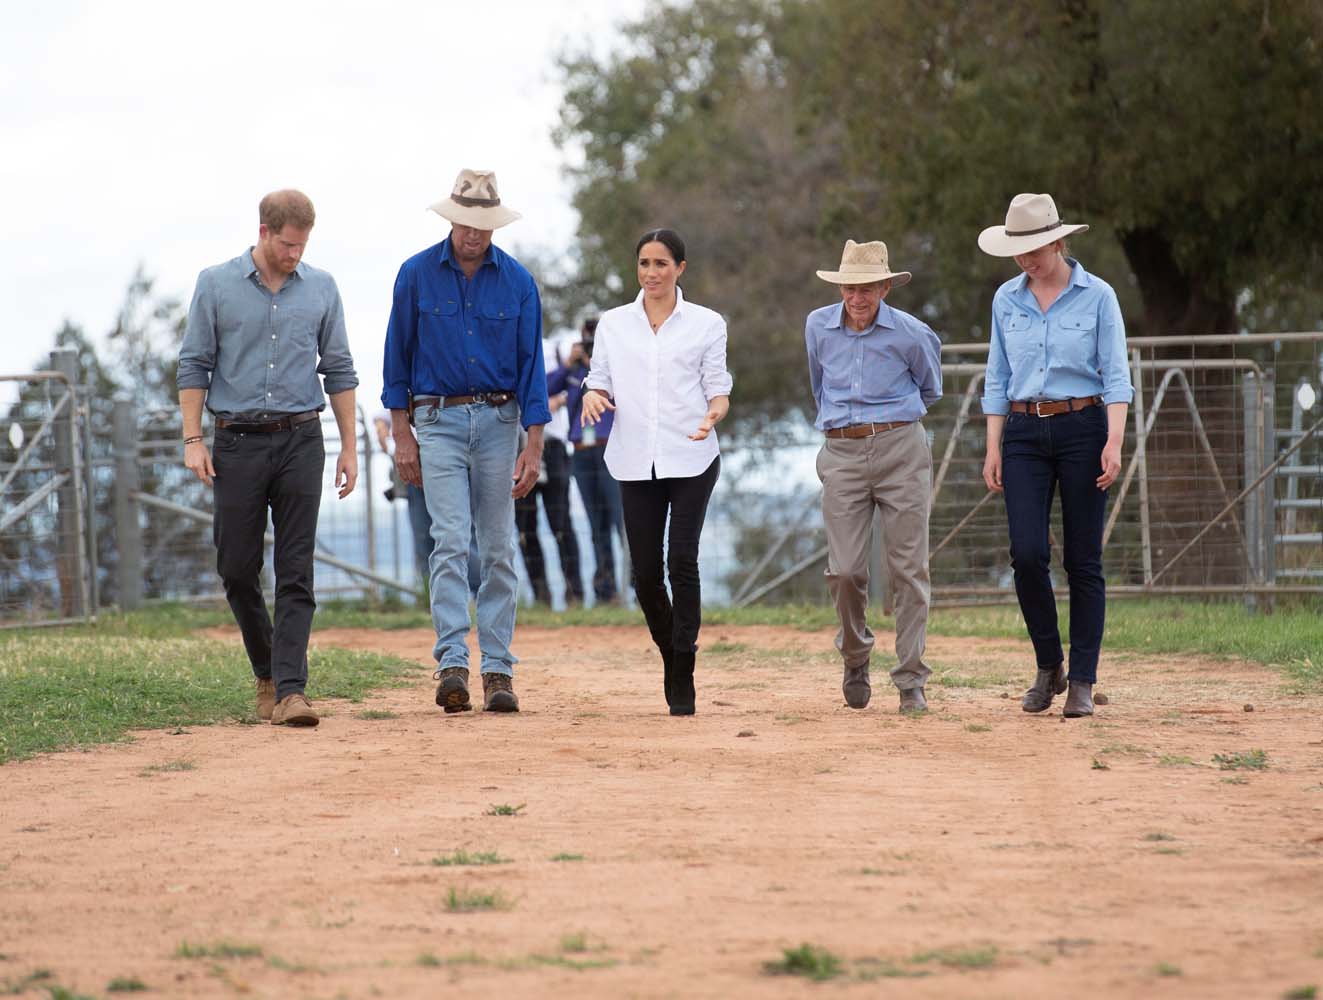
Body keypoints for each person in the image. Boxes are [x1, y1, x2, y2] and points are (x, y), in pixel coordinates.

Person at [178, 189, 359, 728]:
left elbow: (341, 370)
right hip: (236, 441)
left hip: (303, 439)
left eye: (302, 245)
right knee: (236, 567)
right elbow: (194, 365)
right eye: (286, 244)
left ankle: (292, 691)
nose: (294, 254)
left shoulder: (322, 288)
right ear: (263, 232)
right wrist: (193, 440)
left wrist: (349, 446)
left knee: (297, 569)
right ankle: (267, 672)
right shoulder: (215, 284)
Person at [382, 168, 549, 714]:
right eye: (464, 222)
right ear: (451, 218)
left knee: (499, 547)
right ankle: (452, 661)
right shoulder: (414, 275)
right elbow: (396, 360)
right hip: (437, 423)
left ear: (494, 224)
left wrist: (535, 444)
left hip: (501, 423)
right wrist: (402, 435)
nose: (473, 233)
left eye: (482, 223)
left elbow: (532, 366)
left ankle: (498, 670)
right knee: (449, 541)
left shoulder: (519, 283)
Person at [977, 193, 1133, 718]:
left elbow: (1116, 376)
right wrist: (994, 443)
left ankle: (1084, 679)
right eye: (1018, 252)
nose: (1026, 260)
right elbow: (997, 376)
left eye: (1035, 249)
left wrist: (1114, 440)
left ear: (1058, 241)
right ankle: (1050, 664)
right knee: (1026, 553)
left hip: (1084, 427)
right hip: (1023, 430)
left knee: (1082, 558)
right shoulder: (1005, 300)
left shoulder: (1099, 297)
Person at [581, 228, 731, 715]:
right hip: (632, 460)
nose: (651, 273)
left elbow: (718, 387)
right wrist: (591, 395)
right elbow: (597, 378)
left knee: (681, 562)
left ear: (680, 268)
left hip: (691, 457)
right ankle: (670, 653)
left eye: (661, 264)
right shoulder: (613, 324)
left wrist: (713, 415)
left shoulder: (707, 324)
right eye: (644, 263)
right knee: (645, 574)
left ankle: (683, 668)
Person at [805, 240, 942, 715]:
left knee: (908, 568)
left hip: (901, 448)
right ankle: (855, 655)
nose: (856, 298)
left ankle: (910, 679)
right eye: (848, 287)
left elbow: (931, 388)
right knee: (844, 570)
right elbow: (817, 384)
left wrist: (889, 425)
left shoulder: (912, 333)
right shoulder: (818, 327)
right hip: (840, 450)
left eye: (866, 288)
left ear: (885, 286)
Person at [548, 318, 624, 605]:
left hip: (609, 449)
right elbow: (546, 388)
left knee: (620, 519)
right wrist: (570, 364)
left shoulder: (614, 367)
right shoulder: (574, 372)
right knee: (596, 524)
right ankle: (606, 590)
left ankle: (638, 586)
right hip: (581, 451)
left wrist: (598, 361)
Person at [514, 336, 585, 606]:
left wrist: (555, 400)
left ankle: (574, 592)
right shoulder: (503, 344)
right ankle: (541, 595)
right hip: (516, 447)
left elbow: (573, 383)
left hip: (552, 445)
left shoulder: (555, 346)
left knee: (561, 523)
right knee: (525, 528)